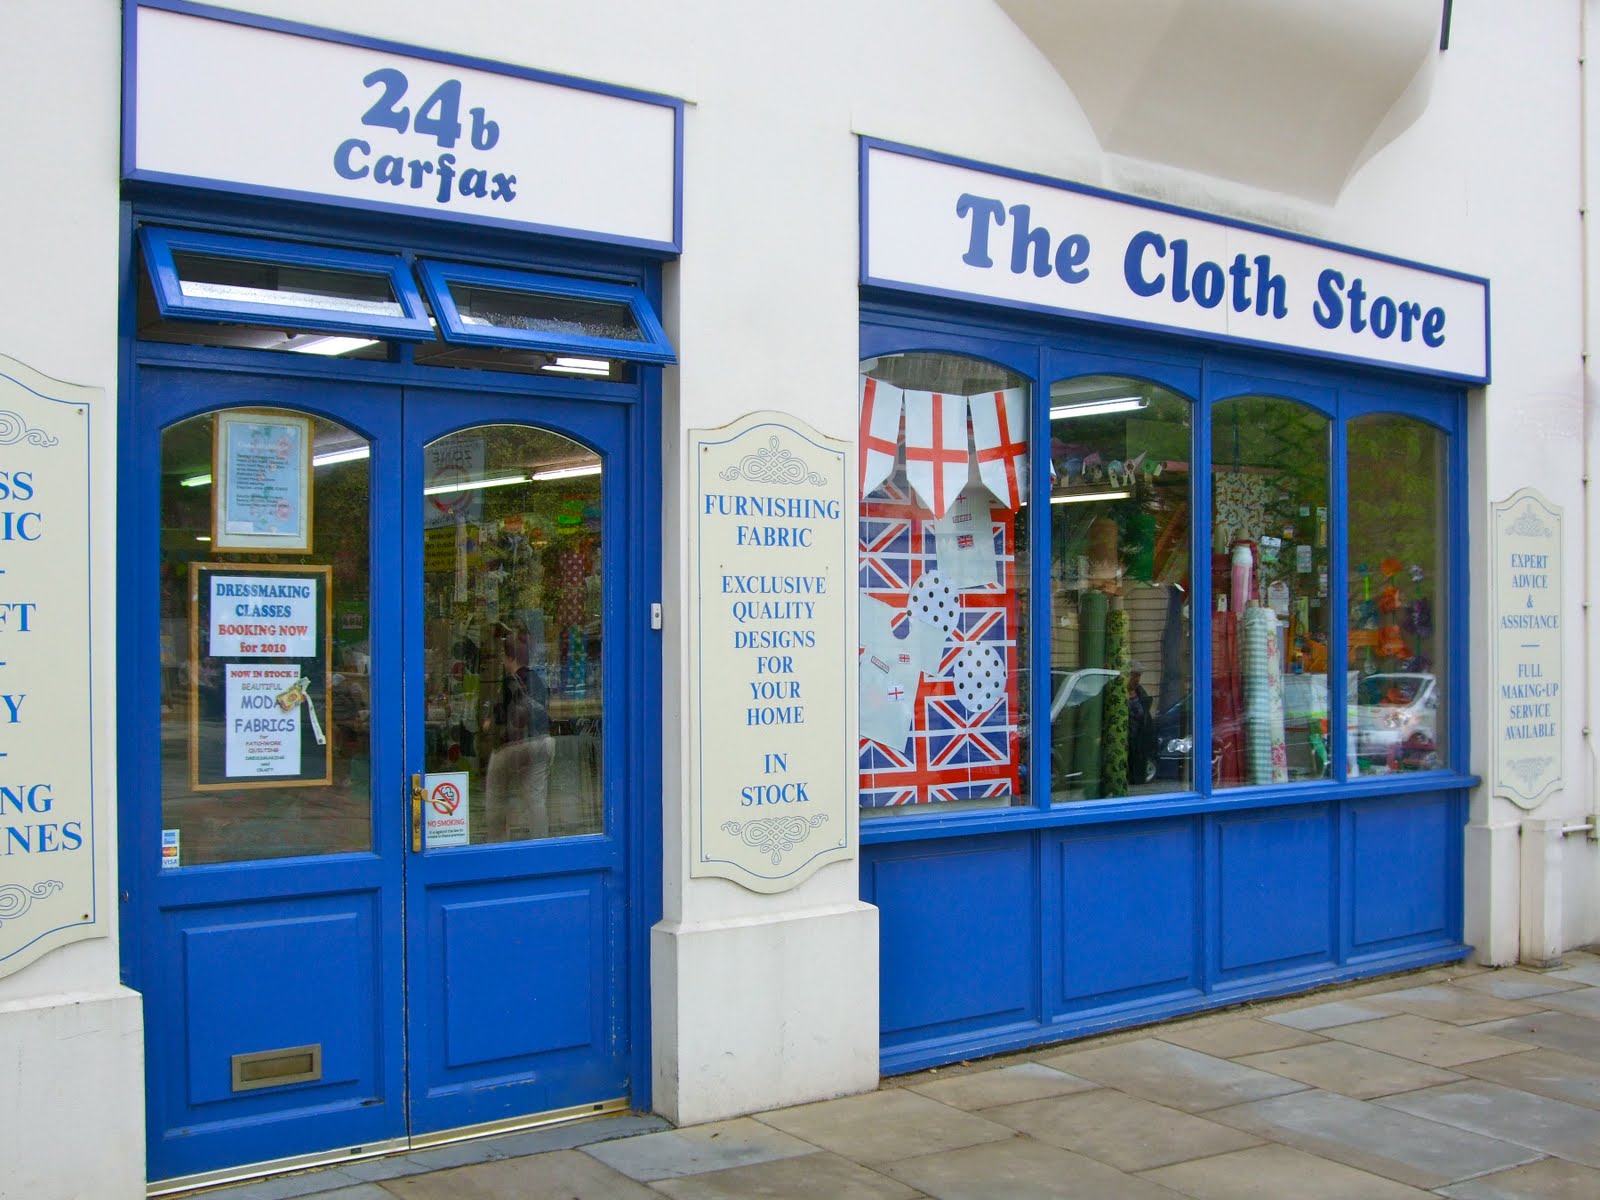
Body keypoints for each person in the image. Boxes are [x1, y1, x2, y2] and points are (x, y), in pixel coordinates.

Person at [482, 621, 555, 842]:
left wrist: (487, 723)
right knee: (536, 799)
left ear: (509, 657)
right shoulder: (538, 680)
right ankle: (541, 841)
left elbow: (495, 723)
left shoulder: (508, 683)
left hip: (515, 745)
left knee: (495, 795)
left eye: (503, 657)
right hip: (543, 742)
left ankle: (496, 841)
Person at [1127, 660, 1159, 786]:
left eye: (1138, 676)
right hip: (1126, 742)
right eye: (1134, 675)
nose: (1136, 679)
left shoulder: (1140, 692)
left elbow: (1145, 715)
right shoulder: (1117, 693)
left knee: (1138, 780)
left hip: (1139, 743)